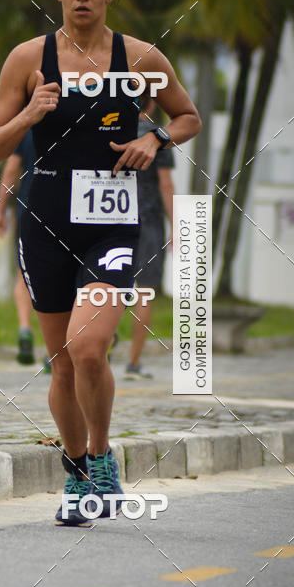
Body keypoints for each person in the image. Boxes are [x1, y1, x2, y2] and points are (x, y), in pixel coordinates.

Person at [0, 0, 201, 525]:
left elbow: (188, 115)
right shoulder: (27, 59)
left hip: (113, 224)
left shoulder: (142, 58)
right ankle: (76, 473)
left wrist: (155, 139)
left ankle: (103, 456)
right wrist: (29, 115)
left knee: (88, 348)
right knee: (60, 364)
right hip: (46, 222)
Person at [125, 99, 175, 380]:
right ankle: (133, 363)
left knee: (107, 289)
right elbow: (166, 185)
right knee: (144, 292)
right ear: (152, 103)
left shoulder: (113, 130)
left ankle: (99, 353)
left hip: (115, 220)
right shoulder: (158, 137)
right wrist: (176, 225)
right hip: (150, 221)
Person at [0, 131, 38, 365]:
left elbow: (11, 171)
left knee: (24, 274)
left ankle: (24, 328)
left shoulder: (26, 126)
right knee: (66, 279)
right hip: (70, 214)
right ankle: (59, 348)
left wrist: (0, 211)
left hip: (29, 209)